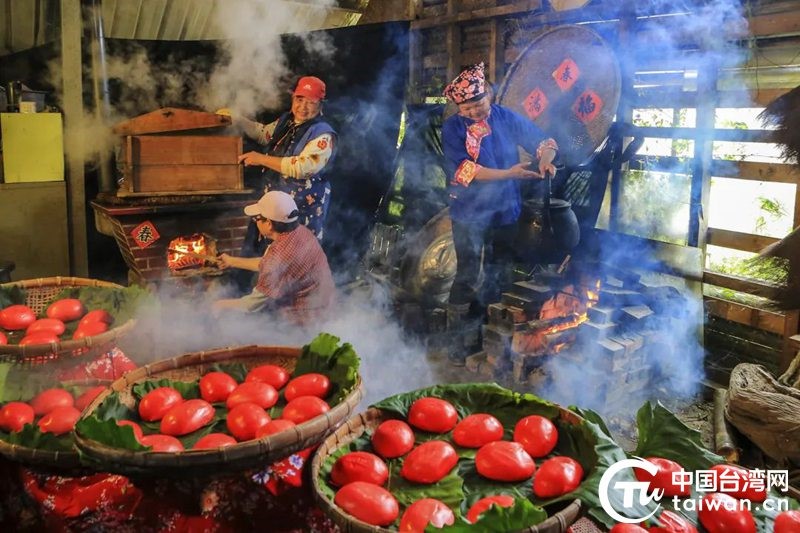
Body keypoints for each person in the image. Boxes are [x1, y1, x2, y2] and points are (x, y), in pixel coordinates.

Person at [441, 62, 559, 335]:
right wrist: (508, 173)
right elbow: (464, 170)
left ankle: (484, 328)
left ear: (488, 95)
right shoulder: (452, 128)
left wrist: (544, 160)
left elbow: (544, 142)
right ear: (459, 108)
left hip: (506, 209)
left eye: (478, 103)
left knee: (499, 270)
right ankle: (456, 336)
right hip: (469, 211)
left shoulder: (505, 117)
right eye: (466, 108)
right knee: (468, 273)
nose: (473, 111)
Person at [235, 75, 337, 246]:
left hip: (301, 209)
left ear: (320, 105)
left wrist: (261, 159)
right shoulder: (286, 121)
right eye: (299, 99)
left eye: (311, 102)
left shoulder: (323, 134)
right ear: (293, 98)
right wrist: (237, 119)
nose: (303, 107)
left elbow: (303, 167)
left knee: (293, 260)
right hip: (273, 206)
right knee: (266, 257)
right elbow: (263, 133)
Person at [212, 191, 336, 327]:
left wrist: (221, 305)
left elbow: (251, 305)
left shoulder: (278, 256)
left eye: (257, 218)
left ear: (269, 224)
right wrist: (232, 261)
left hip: (304, 321)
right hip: (327, 305)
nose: (256, 222)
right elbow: (269, 264)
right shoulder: (300, 232)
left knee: (247, 321)